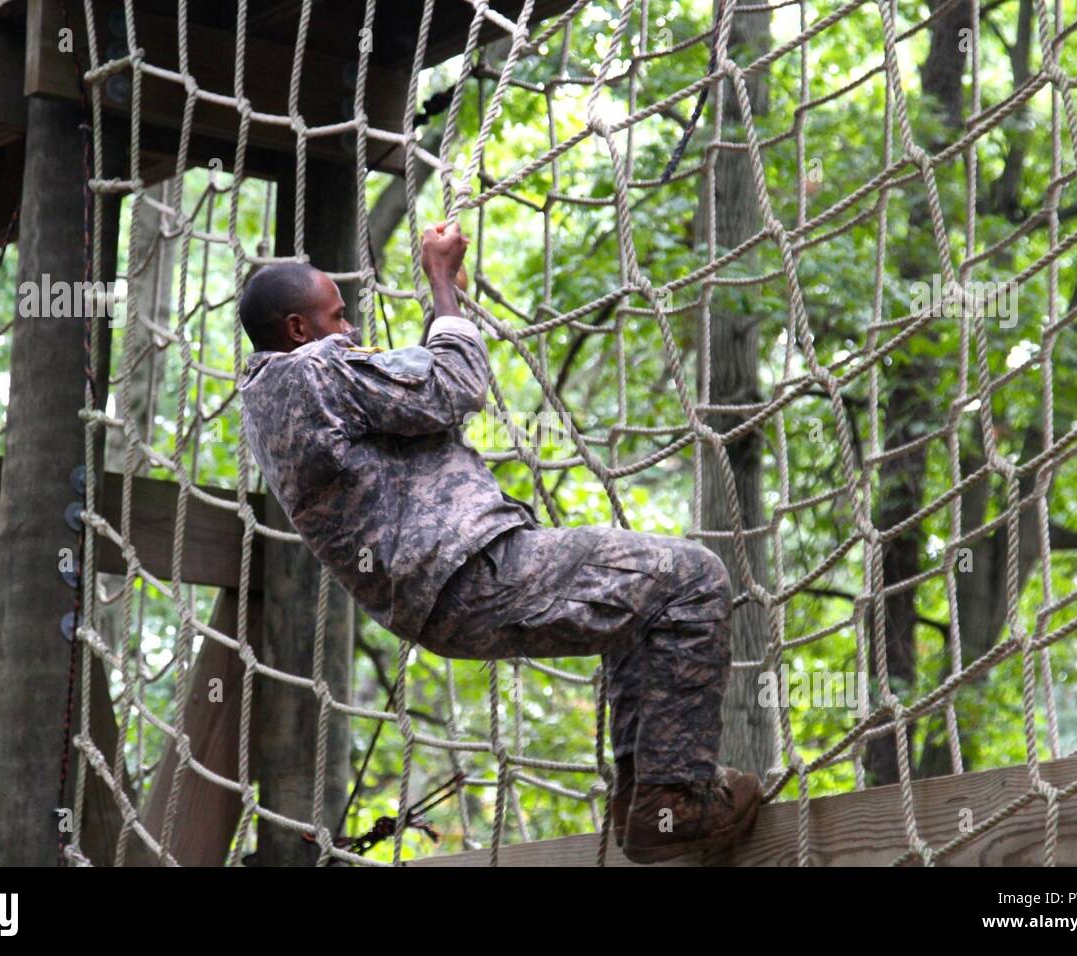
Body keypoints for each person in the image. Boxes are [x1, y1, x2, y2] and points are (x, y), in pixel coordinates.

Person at [238, 221, 762, 864]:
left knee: (637, 612)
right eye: (337, 316)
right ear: (297, 328)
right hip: (472, 572)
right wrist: (439, 281)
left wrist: (443, 304)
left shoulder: (270, 402)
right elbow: (453, 385)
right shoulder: (314, 371)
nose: (349, 330)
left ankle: (647, 800)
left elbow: (405, 390)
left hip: (437, 601)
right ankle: (673, 803)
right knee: (693, 579)